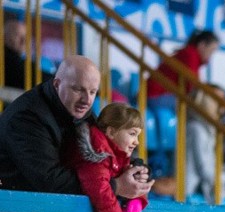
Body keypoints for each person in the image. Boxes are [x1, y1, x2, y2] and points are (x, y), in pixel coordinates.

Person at [0, 55, 151, 199]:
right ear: (57, 84)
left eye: (93, 92)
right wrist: (116, 186)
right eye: (78, 90)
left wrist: (135, 170)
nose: (86, 100)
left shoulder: (77, 109)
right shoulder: (27, 118)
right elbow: (50, 181)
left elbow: (105, 151)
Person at [65, 102, 148, 212]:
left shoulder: (118, 154)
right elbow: (99, 188)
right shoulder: (97, 153)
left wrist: (137, 194)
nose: (137, 142)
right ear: (111, 132)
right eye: (132, 134)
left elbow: (125, 182)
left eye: (138, 136)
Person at [185, 85, 225, 204]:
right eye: (219, 99)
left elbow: (210, 165)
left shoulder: (209, 129)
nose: (224, 104)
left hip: (206, 190)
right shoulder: (196, 129)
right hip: (193, 191)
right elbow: (205, 171)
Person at [147, 30, 219, 109]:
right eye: (211, 50)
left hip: (161, 95)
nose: (211, 55)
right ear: (202, 45)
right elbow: (192, 85)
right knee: (200, 107)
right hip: (155, 95)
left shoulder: (192, 55)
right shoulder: (190, 55)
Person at [3, 19, 54, 90]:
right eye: (17, 35)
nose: (24, 40)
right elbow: (33, 77)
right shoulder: (7, 60)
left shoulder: (15, 59)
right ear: (4, 38)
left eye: (26, 36)